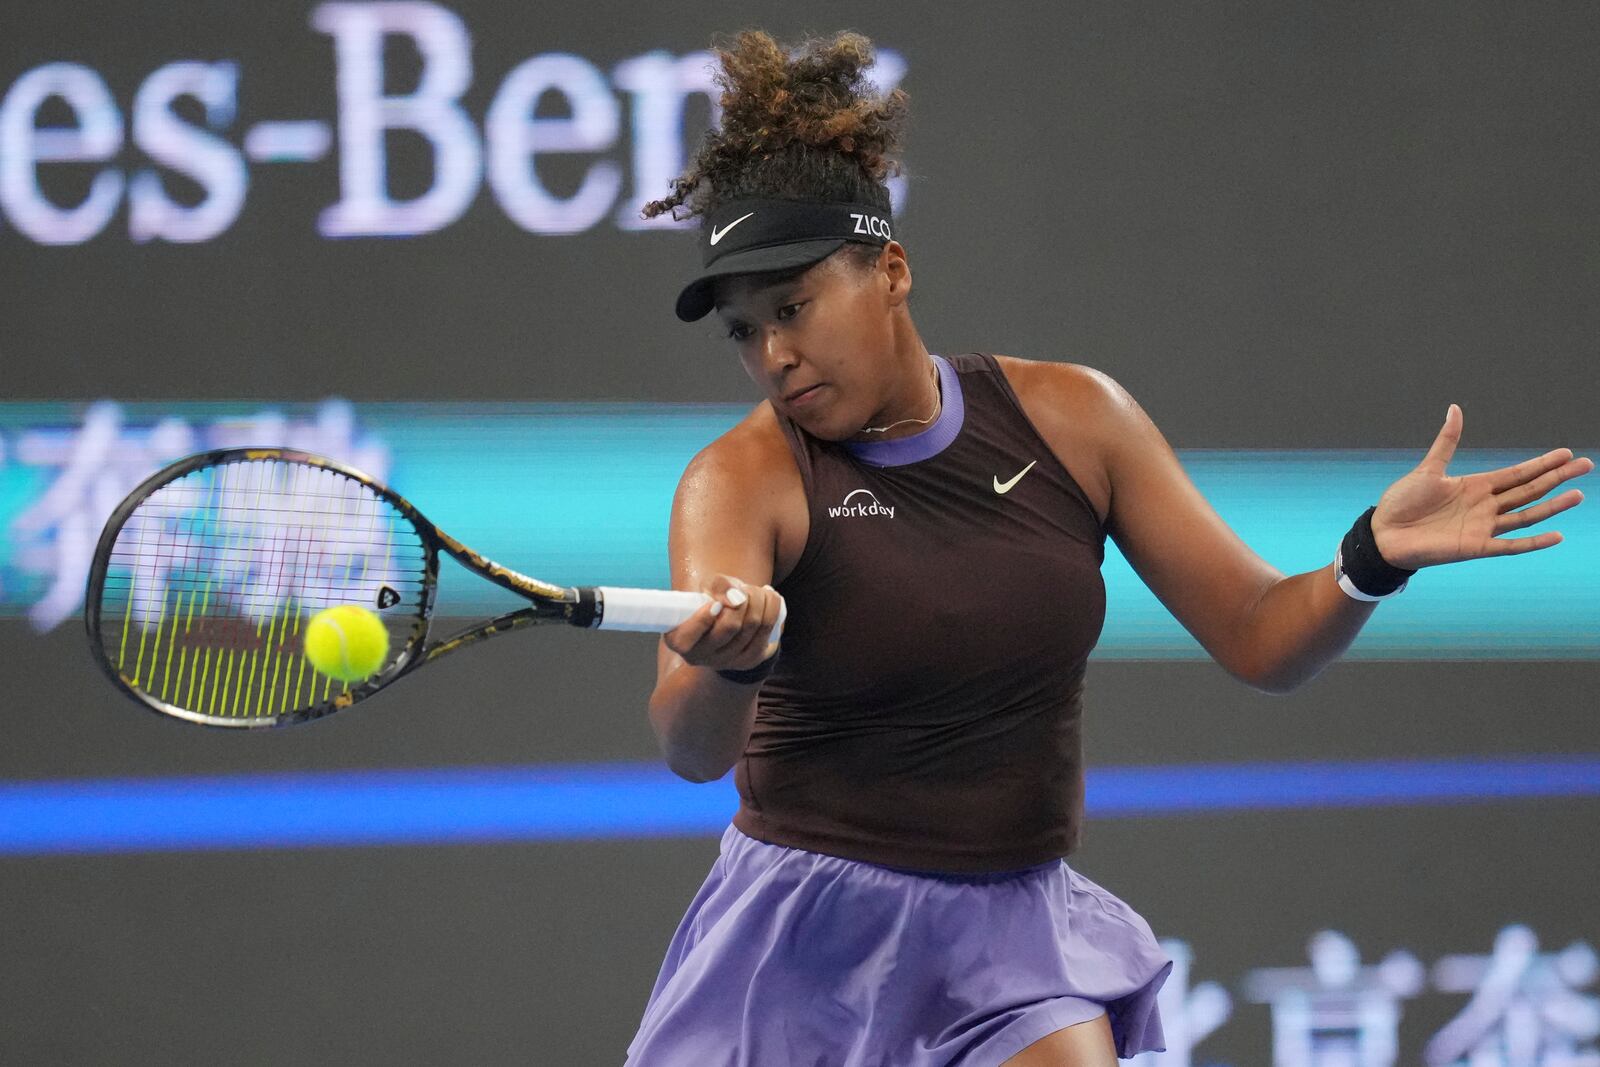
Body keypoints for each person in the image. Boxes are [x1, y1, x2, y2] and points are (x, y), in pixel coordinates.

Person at [626, 30, 1592, 1067]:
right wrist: (731, 665)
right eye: (743, 330)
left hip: (1008, 939)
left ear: (890, 270)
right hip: (802, 943)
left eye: (793, 307)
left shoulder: (1073, 418)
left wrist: (1367, 559)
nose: (773, 353)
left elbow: (1261, 636)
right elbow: (691, 747)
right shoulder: (740, 478)